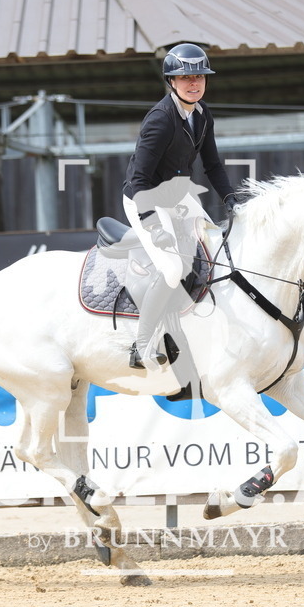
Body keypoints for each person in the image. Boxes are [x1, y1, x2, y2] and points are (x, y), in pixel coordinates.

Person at [122, 42, 239, 371]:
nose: (194, 83)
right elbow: (138, 179)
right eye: (186, 77)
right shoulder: (161, 119)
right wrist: (152, 224)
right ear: (172, 81)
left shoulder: (202, 114)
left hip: (176, 196)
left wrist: (230, 199)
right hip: (144, 197)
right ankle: (141, 345)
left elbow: (212, 165)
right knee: (173, 268)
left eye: (199, 76)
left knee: (216, 243)